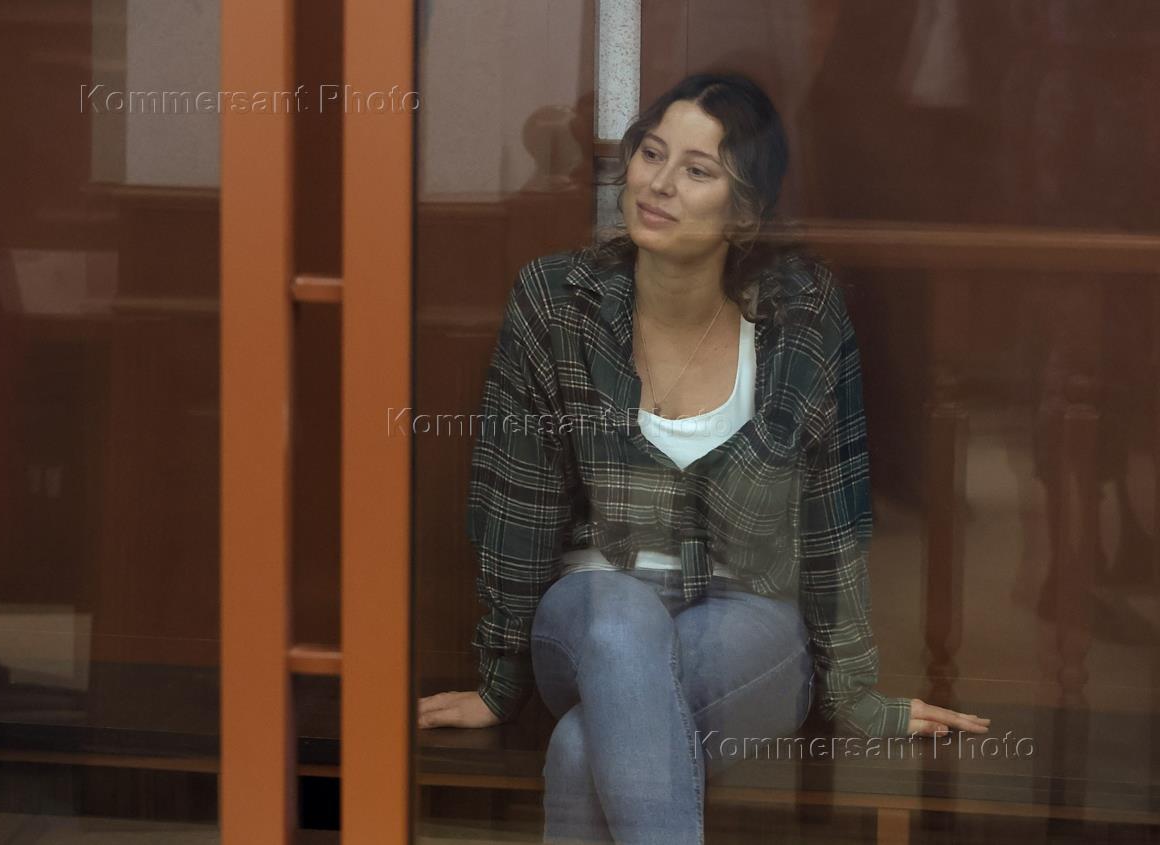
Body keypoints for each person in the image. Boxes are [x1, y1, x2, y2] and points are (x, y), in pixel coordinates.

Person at [419, 72, 991, 844]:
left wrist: (856, 693)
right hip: (589, 612)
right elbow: (516, 504)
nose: (658, 184)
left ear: (745, 212)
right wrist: (499, 682)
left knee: (583, 745)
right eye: (651, 154)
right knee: (618, 622)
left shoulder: (802, 314)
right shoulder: (556, 302)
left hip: (747, 620)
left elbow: (833, 509)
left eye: (697, 170)